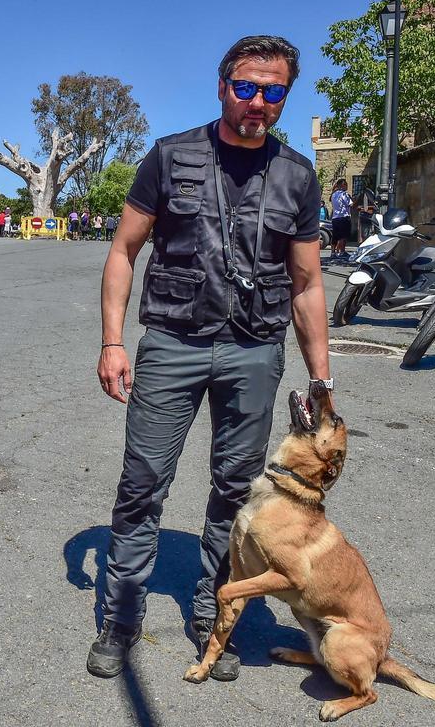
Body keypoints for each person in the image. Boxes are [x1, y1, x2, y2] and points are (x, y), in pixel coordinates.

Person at [89, 36, 332, 683]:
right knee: (142, 483)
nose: (258, 101)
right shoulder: (171, 158)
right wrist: (114, 340)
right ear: (223, 87)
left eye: (273, 91)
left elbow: (307, 285)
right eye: (246, 87)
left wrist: (321, 377)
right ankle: (121, 616)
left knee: (235, 490)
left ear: (284, 96)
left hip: (254, 349)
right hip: (172, 342)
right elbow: (123, 249)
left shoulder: (298, 175)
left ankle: (211, 613)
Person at [330, 178, 352, 261]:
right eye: (346, 185)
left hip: (335, 218)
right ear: (342, 185)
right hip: (343, 217)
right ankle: (342, 252)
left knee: (335, 236)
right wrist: (357, 199)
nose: (347, 186)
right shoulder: (344, 194)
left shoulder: (333, 194)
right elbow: (351, 204)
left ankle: (333, 253)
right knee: (343, 235)